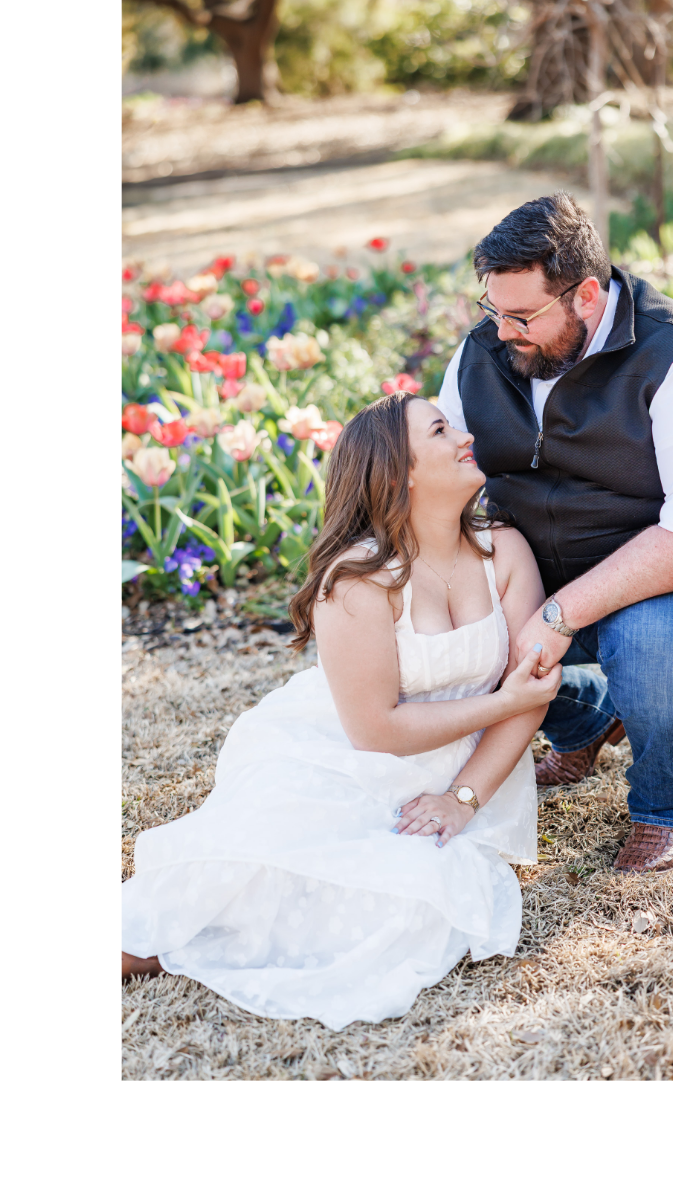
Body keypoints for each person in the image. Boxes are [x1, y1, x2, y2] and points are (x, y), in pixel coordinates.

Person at [121, 392, 560, 1029]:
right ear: (400, 472)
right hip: (346, 752)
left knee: (413, 907)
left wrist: (462, 799)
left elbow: (528, 702)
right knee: (263, 860)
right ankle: (150, 947)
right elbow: (376, 729)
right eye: (441, 431)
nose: (466, 437)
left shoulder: (505, 552)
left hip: (463, 771)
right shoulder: (355, 580)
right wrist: (503, 700)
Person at [436, 193, 673, 874]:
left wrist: (559, 613)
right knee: (437, 622)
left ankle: (663, 808)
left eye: (521, 315)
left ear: (587, 295)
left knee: (652, 644)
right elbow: (452, 471)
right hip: (543, 564)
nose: (501, 331)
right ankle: (586, 720)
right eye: (492, 309)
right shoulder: (487, 351)